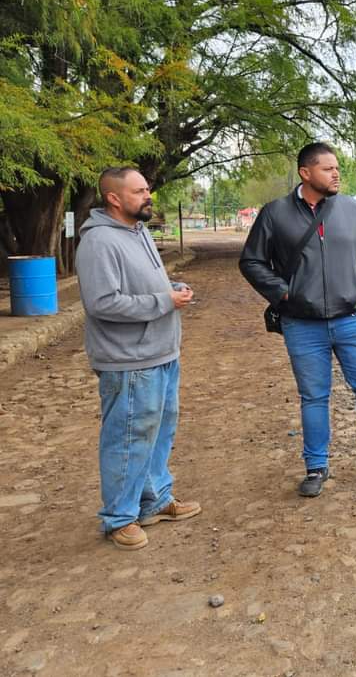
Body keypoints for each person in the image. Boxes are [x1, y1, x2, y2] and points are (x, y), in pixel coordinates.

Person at [239, 142, 356, 496]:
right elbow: (251, 261)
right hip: (302, 324)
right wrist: (283, 293)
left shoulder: (352, 210)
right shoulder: (275, 213)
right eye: (328, 168)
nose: (336, 173)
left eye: (337, 167)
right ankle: (316, 466)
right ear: (305, 173)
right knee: (314, 396)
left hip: (353, 318)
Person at [75, 167, 202, 551]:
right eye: (140, 190)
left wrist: (170, 288)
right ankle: (119, 517)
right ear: (114, 198)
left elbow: (142, 286)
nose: (149, 196)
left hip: (162, 352)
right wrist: (165, 301)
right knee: (129, 438)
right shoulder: (98, 243)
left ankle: (155, 500)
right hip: (129, 360)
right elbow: (102, 302)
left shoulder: (139, 231)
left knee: (158, 432)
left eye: (147, 189)